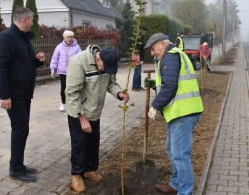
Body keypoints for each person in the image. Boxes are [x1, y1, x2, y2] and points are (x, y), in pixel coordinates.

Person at [144, 33, 204, 195]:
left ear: (163, 44)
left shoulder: (170, 56)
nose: (152, 53)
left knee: (180, 155)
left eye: (153, 49)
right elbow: (168, 82)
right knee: (172, 150)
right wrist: (153, 84)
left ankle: (185, 192)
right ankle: (176, 184)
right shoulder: (171, 56)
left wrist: (155, 106)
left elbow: (170, 86)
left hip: (183, 112)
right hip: (179, 112)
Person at [65, 45, 130, 192]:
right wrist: (82, 118)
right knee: (80, 142)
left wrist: (120, 93)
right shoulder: (79, 62)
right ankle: (76, 173)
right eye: (105, 67)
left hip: (95, 111)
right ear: (98, 58)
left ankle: (89, 169)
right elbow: (72, 94)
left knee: (93, 140)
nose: (107, 71)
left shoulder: (107, 63)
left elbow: (111, 84)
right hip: (78, 112)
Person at [0, 7, 45, 182]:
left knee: (22, 130)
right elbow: (0, 67)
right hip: (14, 94)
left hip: (24, 93)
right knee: (20, 129)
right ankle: (15, 169)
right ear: (24, 19)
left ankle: (18, 164)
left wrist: (37, 61)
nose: (33, 22)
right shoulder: (7, 37)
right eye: (32, 19)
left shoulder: (23, 38)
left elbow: (22, 64)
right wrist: (4, 95)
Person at [50, 30, 81, 111]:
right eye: (68, 37)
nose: (70, 39)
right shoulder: (59, 47)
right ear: (64, 38)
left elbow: (81, 58)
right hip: (63, 72)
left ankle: (73, 103)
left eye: (71, 37)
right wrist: (53, 70)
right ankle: (63, 103)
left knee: (74, 88)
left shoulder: (77, 47)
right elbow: (54, 59)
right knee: (64, 88)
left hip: (74, 72)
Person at [132, 26, 147, 92]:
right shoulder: (138, 38)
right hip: (137, 58)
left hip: (140, 58)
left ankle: (138, 85)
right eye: (144, 32)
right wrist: (137, 58)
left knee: (139, 72)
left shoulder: (141, 38)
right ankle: (134, 86)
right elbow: (137, 49)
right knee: (137, 72)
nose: (145, 33)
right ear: (142, 31)